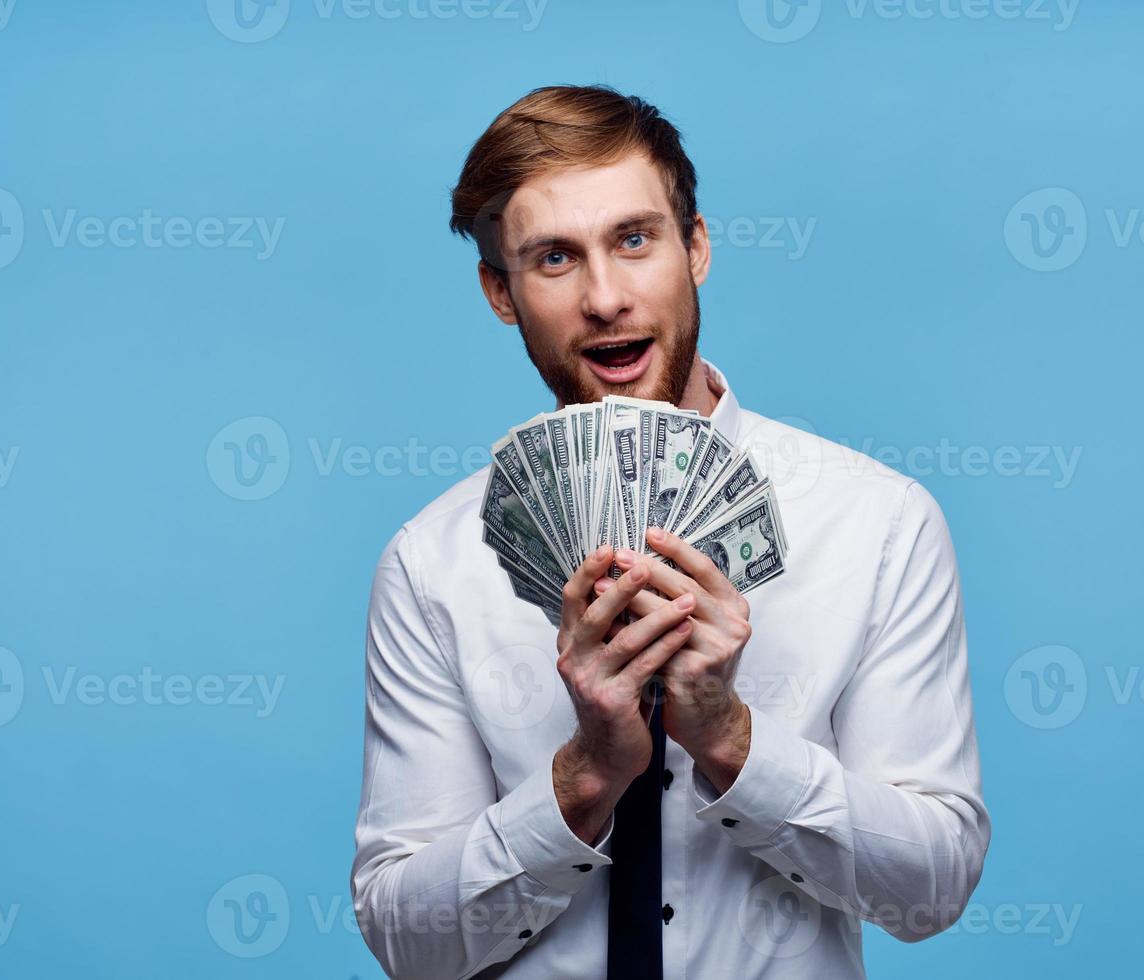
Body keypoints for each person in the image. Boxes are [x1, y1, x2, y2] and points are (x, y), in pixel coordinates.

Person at [350, 83, 990, 979]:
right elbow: (408, 945)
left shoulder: (878, 523)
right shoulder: (433, 565)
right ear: (501, 292)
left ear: (696, 247)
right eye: (554, 259)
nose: (606, 298)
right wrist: (582, 777)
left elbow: (933, 887)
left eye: (635, 239)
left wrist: (730, 738)